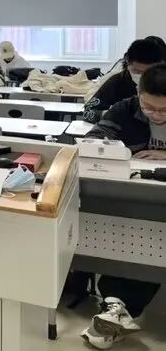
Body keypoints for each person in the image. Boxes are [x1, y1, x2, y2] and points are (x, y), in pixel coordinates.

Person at [80, 64, 166, 348]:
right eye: (149, 107)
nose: (155, 115)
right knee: (131, 230)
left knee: (152, 235)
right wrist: (119, 152)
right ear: (139, 94)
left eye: (164, 110)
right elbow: (94, 139)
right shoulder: (125, 109)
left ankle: (115, 307)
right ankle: (116, 307)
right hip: (136, 194)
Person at [83, 39, 164, 123]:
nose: (142, 76)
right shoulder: (117, 81)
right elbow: (87, 112)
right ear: (128, 63)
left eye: (147, 72)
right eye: (137, 71)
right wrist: (109, 114)